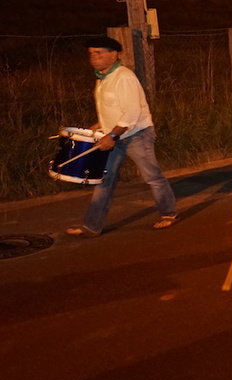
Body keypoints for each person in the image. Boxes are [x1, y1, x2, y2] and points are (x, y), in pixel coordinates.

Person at [66, 36, 178, 237]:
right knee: (103, 180)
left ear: (114, 54)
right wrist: (99, 125)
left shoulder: (124, 77)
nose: (93, 58)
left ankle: (169, 214)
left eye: (98, 53)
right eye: (91, 54)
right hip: (115, 136)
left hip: (137, 135)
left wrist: (111, 135)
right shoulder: (102, 78)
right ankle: (91, 227)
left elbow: (131, 114)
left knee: (152, 177)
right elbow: (113, 108)